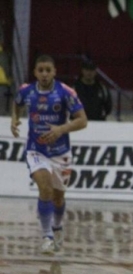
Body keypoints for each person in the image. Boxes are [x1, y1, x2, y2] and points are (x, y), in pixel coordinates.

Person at [10, 54, 88, 254]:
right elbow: (17, 104)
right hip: (36, 149)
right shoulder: (26, 91)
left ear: (54, 72)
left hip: (60, 152)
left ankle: (57, 226)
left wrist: (60, 129)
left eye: (48, 70)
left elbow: (82, 120)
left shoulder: (65, 92)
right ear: (35, 72)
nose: (44, 74)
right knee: (45, 189)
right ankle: (46, 236)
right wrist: (14, 120)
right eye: (40, 70)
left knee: (58, 197)